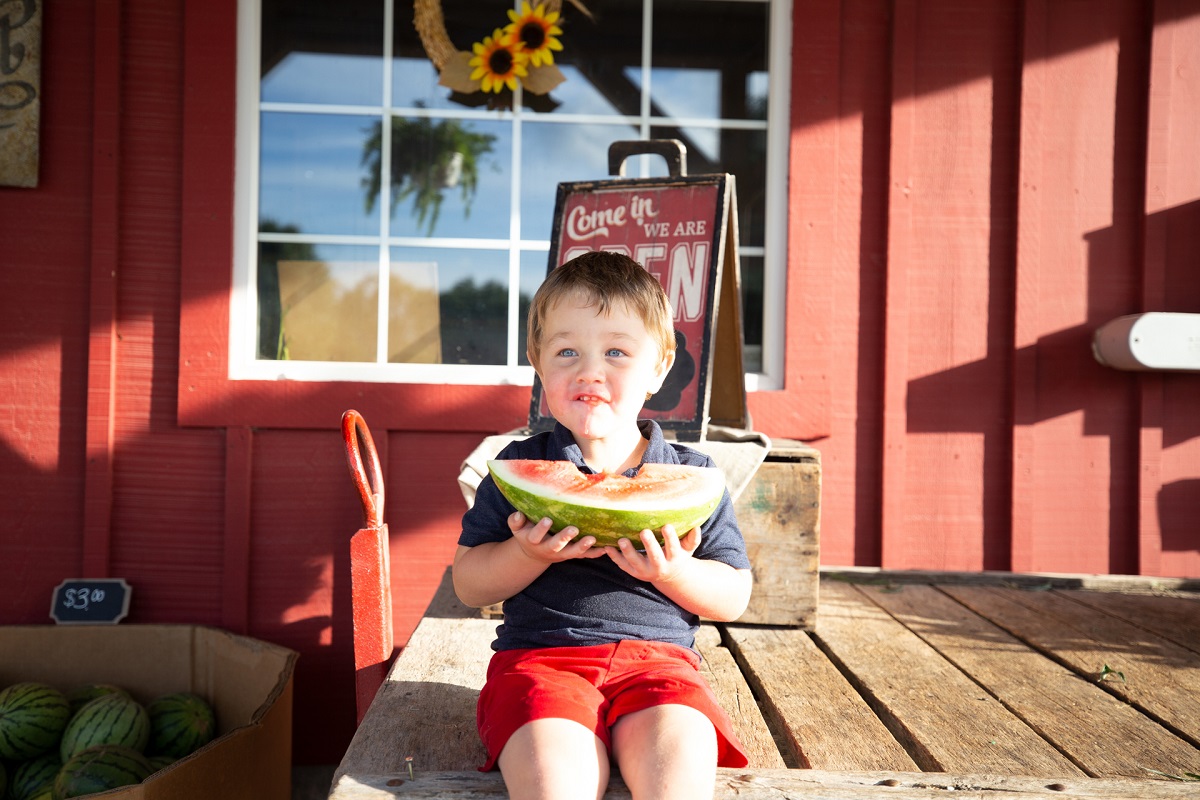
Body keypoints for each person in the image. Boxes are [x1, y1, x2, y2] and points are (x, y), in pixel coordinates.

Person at [454, 251, 753, 800]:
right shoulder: (518, 470)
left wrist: (675, 572)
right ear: (538, 363)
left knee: (678, 779)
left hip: (662, 668)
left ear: (659, 368)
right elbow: (469, 583)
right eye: (566, 351)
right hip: (541, 664)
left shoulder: (692, 474)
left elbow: (733, 595)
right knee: (553, 785)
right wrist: (527, 555)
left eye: (616, 351)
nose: (589, 370)